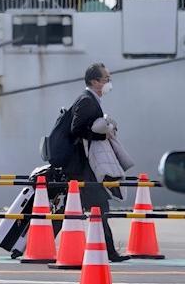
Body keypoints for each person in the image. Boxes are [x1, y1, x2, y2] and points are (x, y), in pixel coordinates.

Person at [65, 63, 129, 262]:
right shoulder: (87, 101)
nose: (109, 83)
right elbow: (75, 129)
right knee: (98, 207)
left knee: (91, 208)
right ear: (94, 82)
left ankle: (110, 251)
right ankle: (110, 252)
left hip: (87, 166)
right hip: (84, 168)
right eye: (106, 79)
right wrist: (100, 135)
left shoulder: (92, 100)